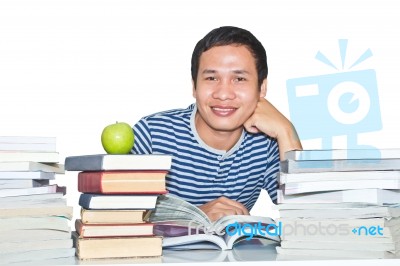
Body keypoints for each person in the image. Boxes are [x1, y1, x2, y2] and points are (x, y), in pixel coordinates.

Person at [131, 26, 302, 221]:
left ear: (261, 88)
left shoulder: (266, 142)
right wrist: (195, 216)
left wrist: (286, 130)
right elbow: (114, 218)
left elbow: (307, 217)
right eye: (211, 78)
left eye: (239, 79)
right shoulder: (152, 135)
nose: (223, 94)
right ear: (194, 86)